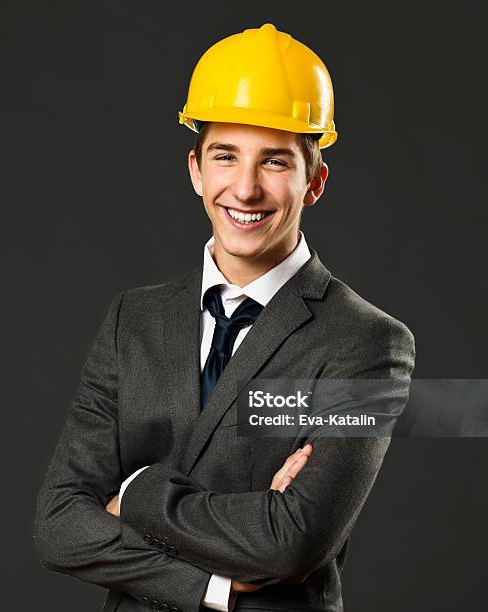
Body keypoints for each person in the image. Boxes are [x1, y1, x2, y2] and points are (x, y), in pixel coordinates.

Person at [34, 23, 415, 612]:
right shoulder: (132, 320)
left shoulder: (368, 343)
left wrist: (135, 492)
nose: (245, 187)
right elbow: (59, 523)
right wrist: (214, 584)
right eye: (225, 156)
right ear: (195, 170)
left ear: (314, 182)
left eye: (275, 163)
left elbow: (291, 543)